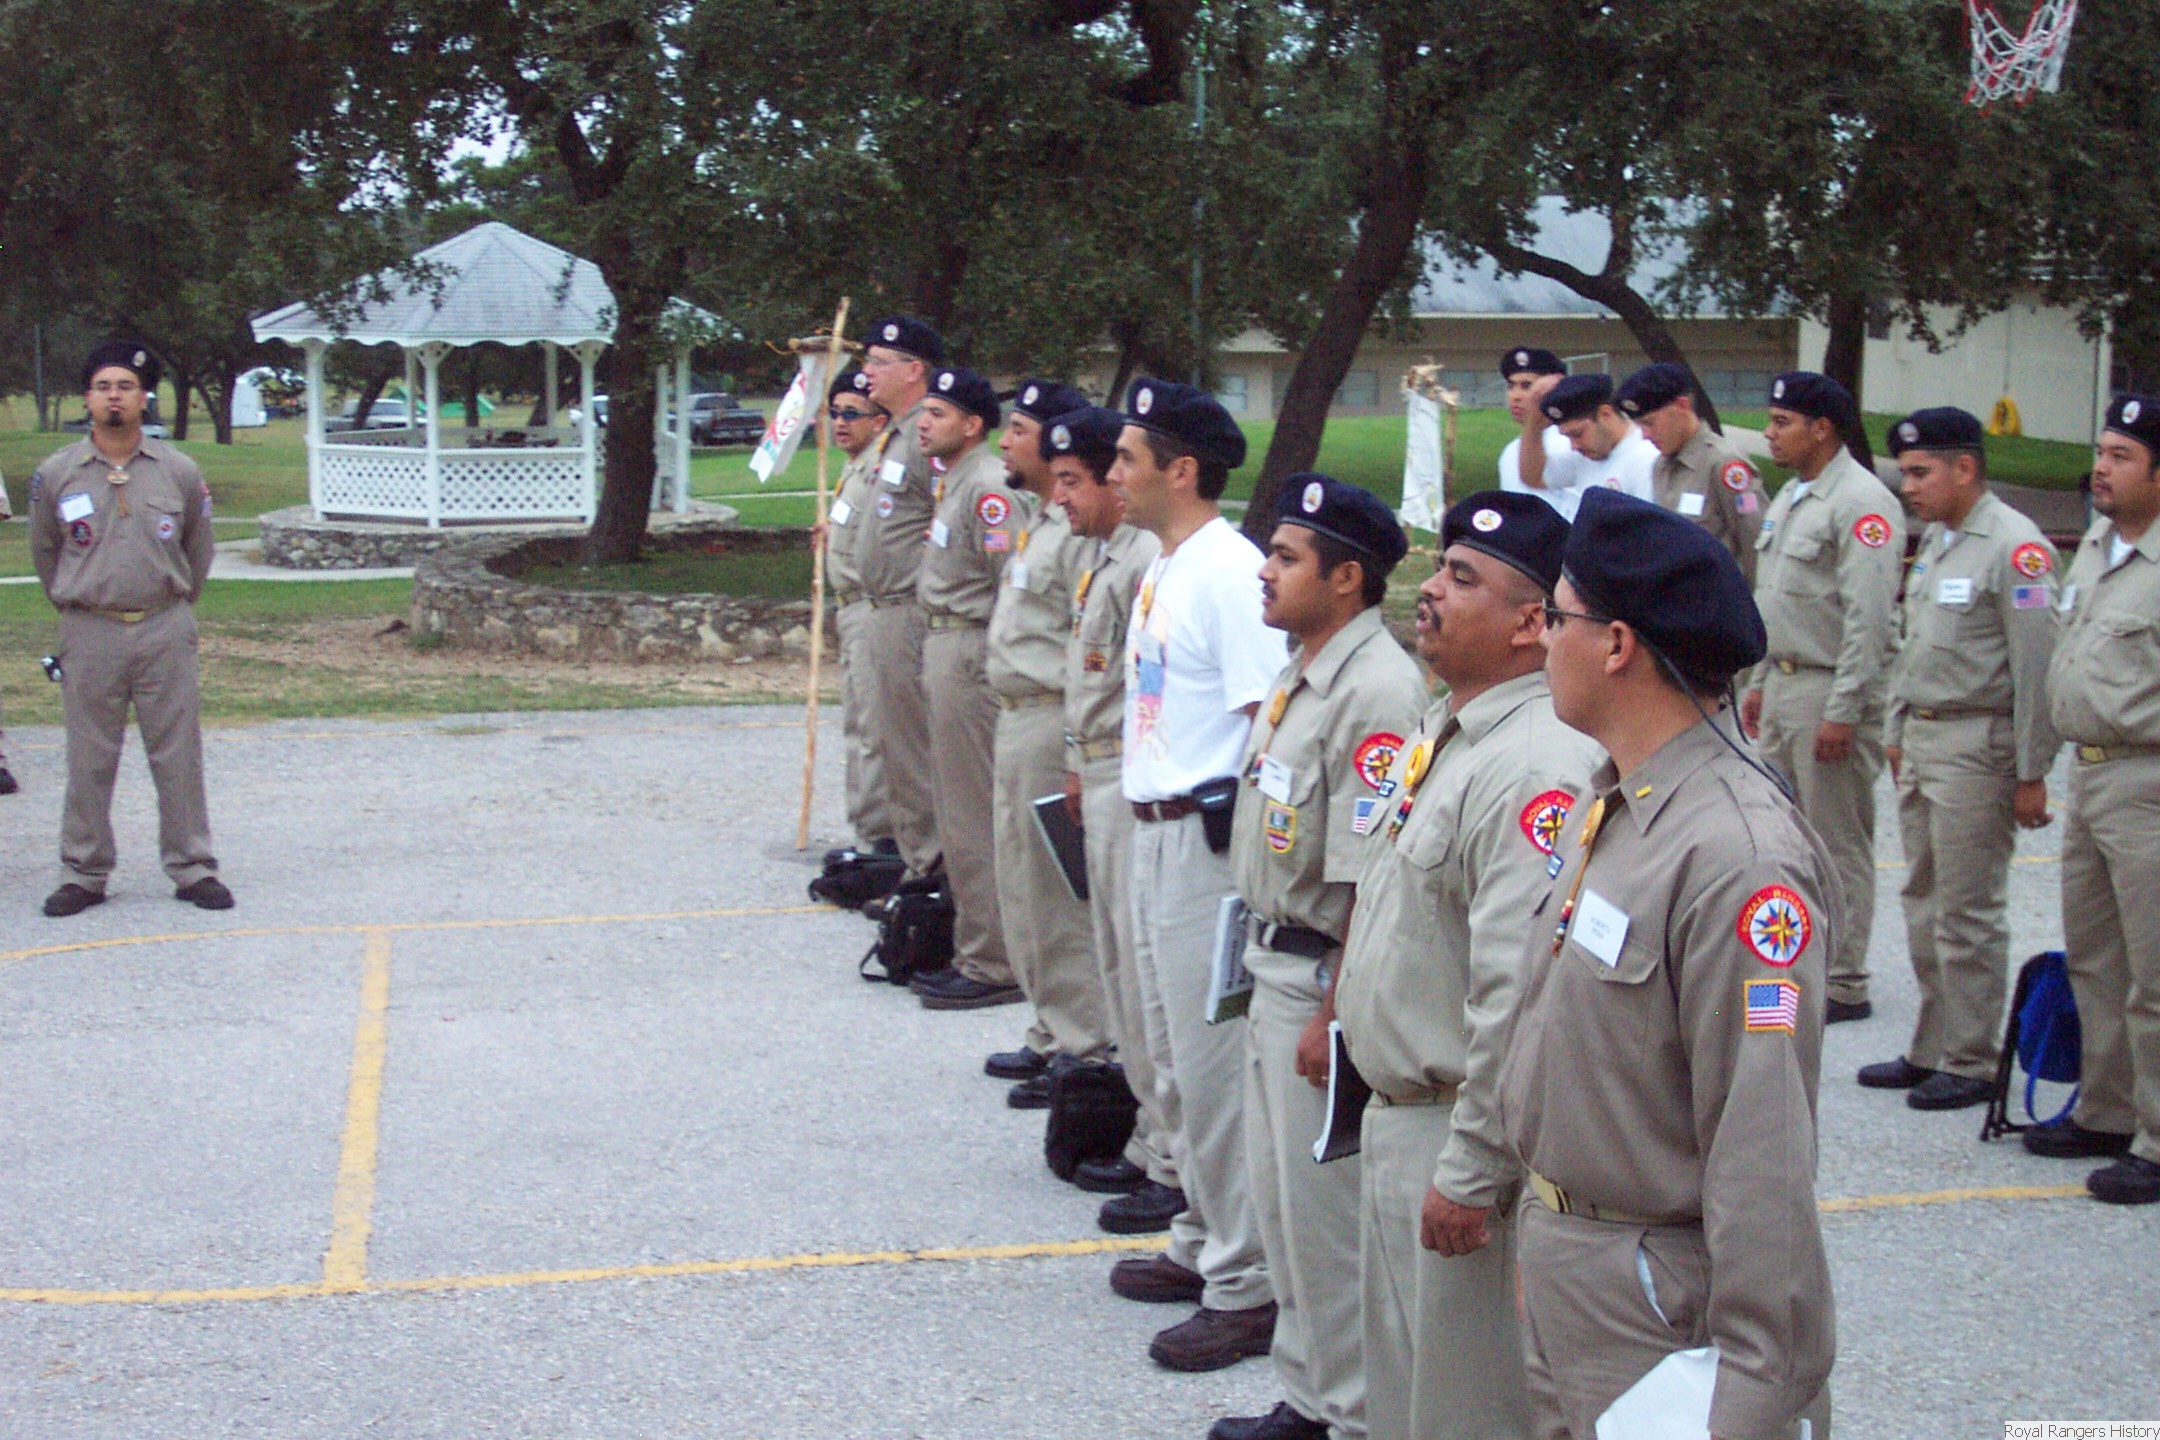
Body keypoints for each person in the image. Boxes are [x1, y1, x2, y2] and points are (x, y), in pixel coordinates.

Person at [1503, 487, 1837, 1440]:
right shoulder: (1613, 801)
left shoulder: (1739, 857)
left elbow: (1762, 1144)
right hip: (1574, 1260)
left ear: (1616, 645)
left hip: (1652, 1295)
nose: (1540, 639)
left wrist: (1757, 1388)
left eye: (1557, 617)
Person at [1332, 491, 1602, 1440]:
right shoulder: (1449, 728)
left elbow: (1514, 995)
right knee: (1409, 1401)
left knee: (1467, 1408)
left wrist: (1473, 1168)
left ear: (1531, 623)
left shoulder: (1534, 765)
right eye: (1440, 569)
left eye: (1462, 577)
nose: (1432, 591)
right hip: (1398, 1118)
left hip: (1455, 1130)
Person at [1214, 475, 1426, 1440]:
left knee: (1329, 1221)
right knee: (1285, 1208)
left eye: (1287, 557)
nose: (1265, 570)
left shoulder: (1375, 690)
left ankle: (1350, 1413)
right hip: (1271, 965)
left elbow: (1372, 879)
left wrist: (1333, 1012)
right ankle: (1307, 1393)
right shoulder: (1305, 668)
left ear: (1346, 577)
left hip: (1315, 977)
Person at [1108, 376, 1287, 1372]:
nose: (1114, 472)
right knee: (1173, 1056)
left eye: (1128, 457)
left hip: (1203, 843)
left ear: (1182, 470)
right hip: (1153, 829)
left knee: (1216, 1072)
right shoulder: (1166, 561)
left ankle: (1247, 1283)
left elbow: (1270, 718)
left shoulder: (1228, 570)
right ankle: (1202, 1234)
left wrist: (1242, 845)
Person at [1863, 408, 2059, 1112]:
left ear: (1965, 468)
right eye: (1906, 473)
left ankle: (1972, 1058)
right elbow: (1913, 644)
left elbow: (2037, 667)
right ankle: (1933, 1045)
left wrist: (2032, 772)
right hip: (1925, 739)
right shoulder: (1942, 542)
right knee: (1923, 900)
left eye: (1921, 473)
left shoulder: (2015, 548)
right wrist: (1896, 730)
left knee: (1967, 911)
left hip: (1979, 745)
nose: (1908, 486)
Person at [28, 341, 231, 916]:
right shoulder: (57, 474)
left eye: (125, 387)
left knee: (177, 753)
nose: (114, 397)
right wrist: (74, 603)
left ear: (145, 399)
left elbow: (199, 548)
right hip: (90, 630)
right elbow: (45, 550)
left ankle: (192, 867)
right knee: (89, 756)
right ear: (87, 398)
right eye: (103, 387)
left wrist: (174, 603)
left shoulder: (178, 471)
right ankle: (83, 871)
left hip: (164, 626)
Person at [1047, 407, 1184, 1230]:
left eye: (1077, 480)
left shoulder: (1143, 561)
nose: (1060, 496)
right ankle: (1146, 1134)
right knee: (1117, 966)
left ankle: (1169, 1153)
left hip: (1131, 774)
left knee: (1143, 981)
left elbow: (1148, 689)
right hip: (1100, 767)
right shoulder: (1108, 557)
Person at [1742, 371, 1905, 1023]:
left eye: (1782, 422)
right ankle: (1799, 961)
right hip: (1785, 680)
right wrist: (1760, 680)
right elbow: (1779, 599)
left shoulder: (1862, 502)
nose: (1769, 433)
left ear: (1823, 429)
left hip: (1826, 687)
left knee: (1835, 839)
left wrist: (1844, 709)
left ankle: (1843, 979)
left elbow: (1869, 620)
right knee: (1782, 838)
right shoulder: (1793, 497)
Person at [2033, 393, 2160, 1205]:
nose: (2101, 468)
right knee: (2096, 956)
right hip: (2090, 774)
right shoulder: (2099, 549)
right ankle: (2110, 1112)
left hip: (2148, 778)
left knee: (2156, 969)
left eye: (2121, 456)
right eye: (2101, 452)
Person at [982, 379, 1111, 1100]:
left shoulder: (1076, 533)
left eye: (1019, 430)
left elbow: (1084, 641)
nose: (1006, 442)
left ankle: (1083, 1042)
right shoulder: (1038, 520)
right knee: (1021, 886)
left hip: (1049, 716)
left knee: (1059, 892)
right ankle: (1048, 1024)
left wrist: (1072, 748)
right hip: (1014, 715)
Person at [910, 366, 1027, 1010]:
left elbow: (1013, 583)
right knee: (954, 806)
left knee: (973, 810)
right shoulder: (954, 481)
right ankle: (972, 943)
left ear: (973, 425)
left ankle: (993, 960)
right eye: (924, 411)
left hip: (970, 649)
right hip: (944, 642)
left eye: (938, 413)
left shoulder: (987, 489)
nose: (924, 423)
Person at [853, 316, 946, 881]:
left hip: (910, 606)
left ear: (913, 370)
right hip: (883, 606)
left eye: (877, 361)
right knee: (891, 746)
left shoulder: (926, 436)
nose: (866, 371)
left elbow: (947, 512)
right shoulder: (897, 433)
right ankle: (913, 866)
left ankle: (929, 872)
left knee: (913, 751)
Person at [813, 368, 895, 854]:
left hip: (870, 606)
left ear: (879, 421)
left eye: (851, 414)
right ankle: (866, 827)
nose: (840, 423)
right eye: (834, 413)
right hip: (849, 609)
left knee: (874, 727)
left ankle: (880, 835)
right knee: (857, 722)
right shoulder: (855, 468)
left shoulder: (882, 469)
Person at [1614, 362, 1768, 581]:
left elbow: (1756, 544)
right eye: (1639, 426)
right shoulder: (1661, 466)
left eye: (1649, 423)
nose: (1645, 435)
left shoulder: (1725, 465)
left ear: (1682, 406)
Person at [1532, 373, 1658, 520]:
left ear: (1605, 414)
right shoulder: (1586, 456)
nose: (1573, 446)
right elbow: (1534, 477)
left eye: (1578, 434)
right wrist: (1533, 421)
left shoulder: (1645, 460)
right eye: (1568, 437)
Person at [1496, 347, 1572, 502]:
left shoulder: (1570, 443)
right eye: (1511, 386)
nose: (1515, 396)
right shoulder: (1510, 451)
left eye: (1527, 386)